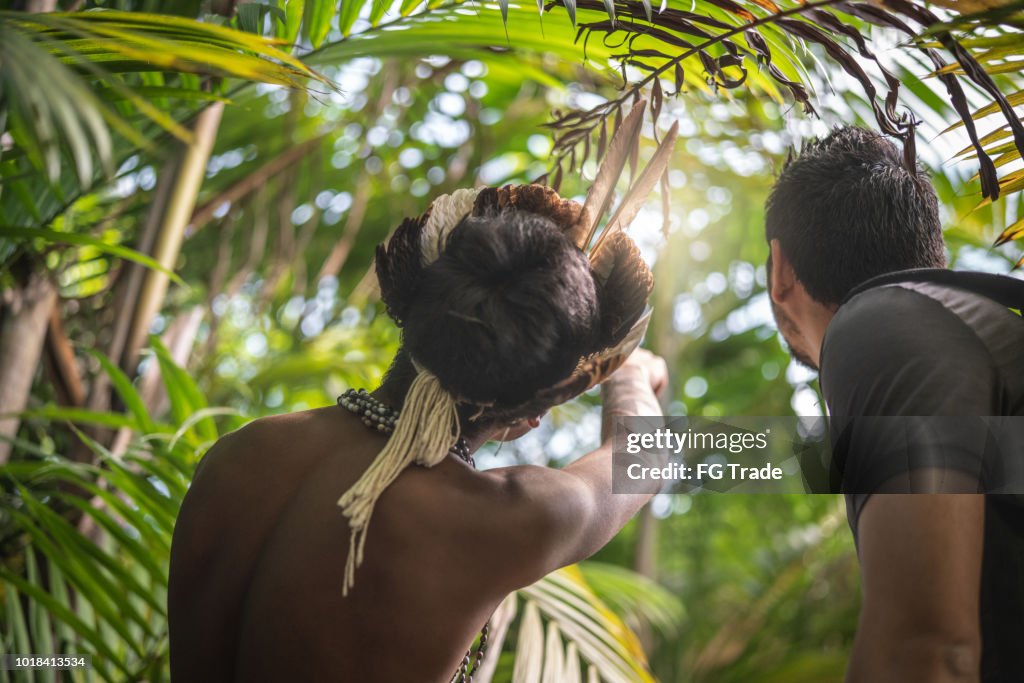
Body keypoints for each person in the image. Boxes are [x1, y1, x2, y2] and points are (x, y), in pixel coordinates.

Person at [168, 183, 668, 682]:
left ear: (416, 310)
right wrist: (629, 375)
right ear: (529, 413)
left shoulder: (243, 450)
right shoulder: (502, 518)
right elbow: (644, 460)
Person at [764, 125, 1024, 682]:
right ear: (936, 255)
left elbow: (927, 653)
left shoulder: (881, 319)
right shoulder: (961, 321)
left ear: (779, 269)